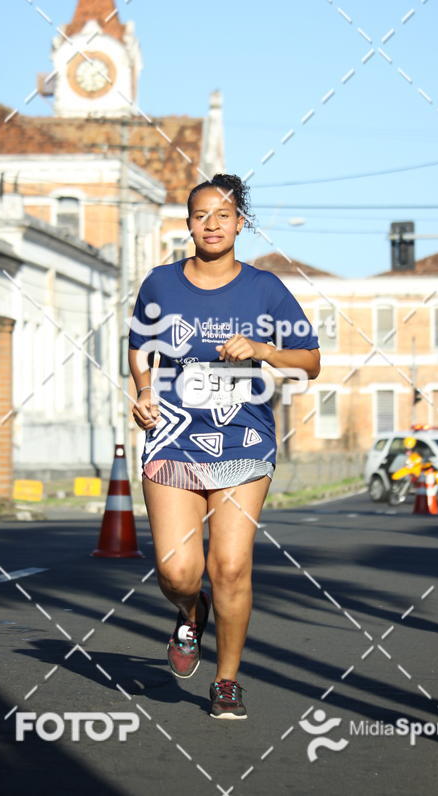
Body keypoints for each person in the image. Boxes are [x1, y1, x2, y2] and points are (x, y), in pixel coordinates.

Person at [128, 173, 320, 719]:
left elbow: (310, 360)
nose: (211, 224)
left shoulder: (265, 289)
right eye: (200, 215)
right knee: (177, 572)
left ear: (241, 223)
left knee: (231, 565)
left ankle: (228, 679)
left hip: (245, 439)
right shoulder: (161, 285)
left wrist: (264, 348)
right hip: (171, 437)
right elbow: (139, 348)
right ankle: (192, 613)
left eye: (223, 215)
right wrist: (143, 391)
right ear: (188, 224)